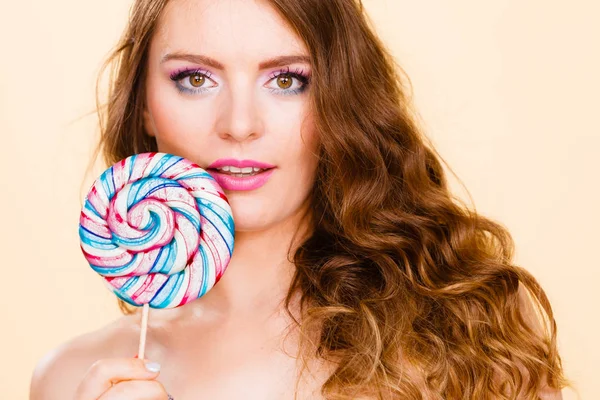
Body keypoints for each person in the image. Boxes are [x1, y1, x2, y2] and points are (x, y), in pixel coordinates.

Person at [30, 0, 569, 398]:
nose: (240, 124)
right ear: (145, 104)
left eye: (287, 80)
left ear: (339, 97)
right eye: (195, 78)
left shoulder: (461, 330)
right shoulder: (70, 377)